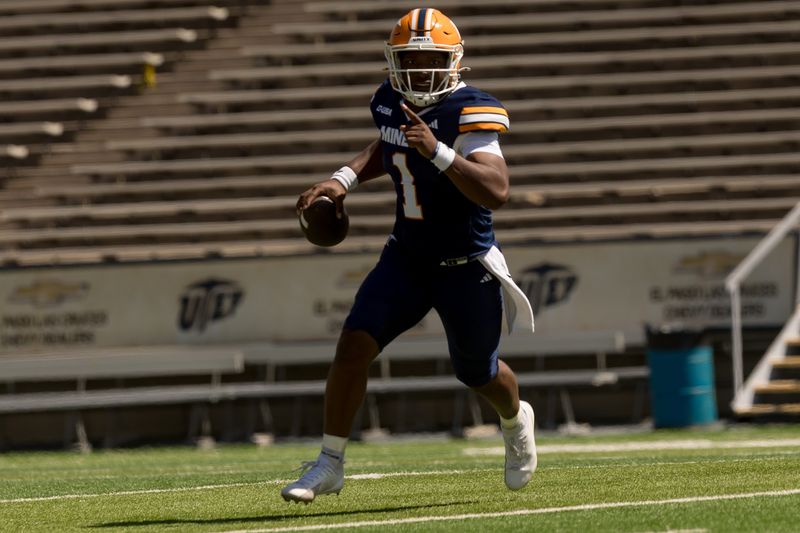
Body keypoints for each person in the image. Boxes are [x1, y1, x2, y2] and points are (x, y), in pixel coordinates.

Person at [282, 7, 536, 504]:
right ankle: (330, 462)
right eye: (410, 59)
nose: (419, 70)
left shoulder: (472, 110)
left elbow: (497, 189)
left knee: (477, 372)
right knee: (353, 345)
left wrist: (438, 151)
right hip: (408, 257)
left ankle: (515, 419)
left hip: (466, 264)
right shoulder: (391, 102)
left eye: (429, 59)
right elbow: (389, 145)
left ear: (453, 61)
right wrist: (343, 178)